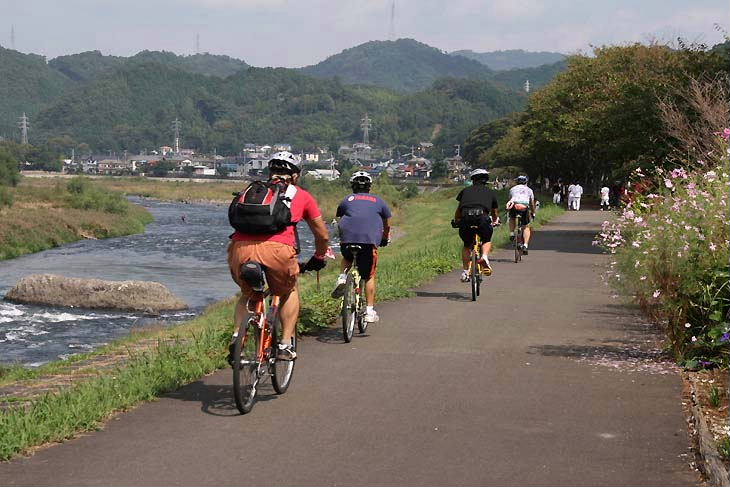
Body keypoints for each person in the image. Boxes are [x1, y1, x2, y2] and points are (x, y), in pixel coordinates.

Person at [227, 151, 330, 361]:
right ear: (295, 175)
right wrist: (319, 256)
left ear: (270, 171)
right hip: (278, 251)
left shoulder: (253, 190)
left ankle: (238, 336)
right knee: (288, 290)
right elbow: (322, 234)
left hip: (239, 249)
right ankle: (284, 344)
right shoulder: (301, 195)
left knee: (248, 295)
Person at [332, 171, 392, 324]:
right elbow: (386, 223)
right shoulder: (379, 201)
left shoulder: (347, 199)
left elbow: (340, 216)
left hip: (348, 240)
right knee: (369, 276)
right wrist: (384, 238)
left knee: (347, 257)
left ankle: (342, 278)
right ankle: (370, 311)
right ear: (370, 187)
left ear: (352, 186)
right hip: (368, 242)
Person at [453, 168, 499, 282]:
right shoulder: (490, 192)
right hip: (482, 218)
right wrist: (495, 220)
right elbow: (494, 212)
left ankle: (465, 272)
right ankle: (484, 257)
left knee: (467, 245)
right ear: (486, 180)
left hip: (466, 219)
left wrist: (457, 220)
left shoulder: (465, 191)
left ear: (473, 180)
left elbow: (459, 209)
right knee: (486, 239)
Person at [507, 175, 536, 254]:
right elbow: (532, 203)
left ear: (517, 182)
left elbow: (510, 199)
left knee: (512, 218)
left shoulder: (512, 189)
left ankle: (512, 233)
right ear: (526, 182)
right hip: (524, 207)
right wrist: (533, 212)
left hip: (514, 206)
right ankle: (525, 245)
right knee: (526, 226)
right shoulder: (529, 190)